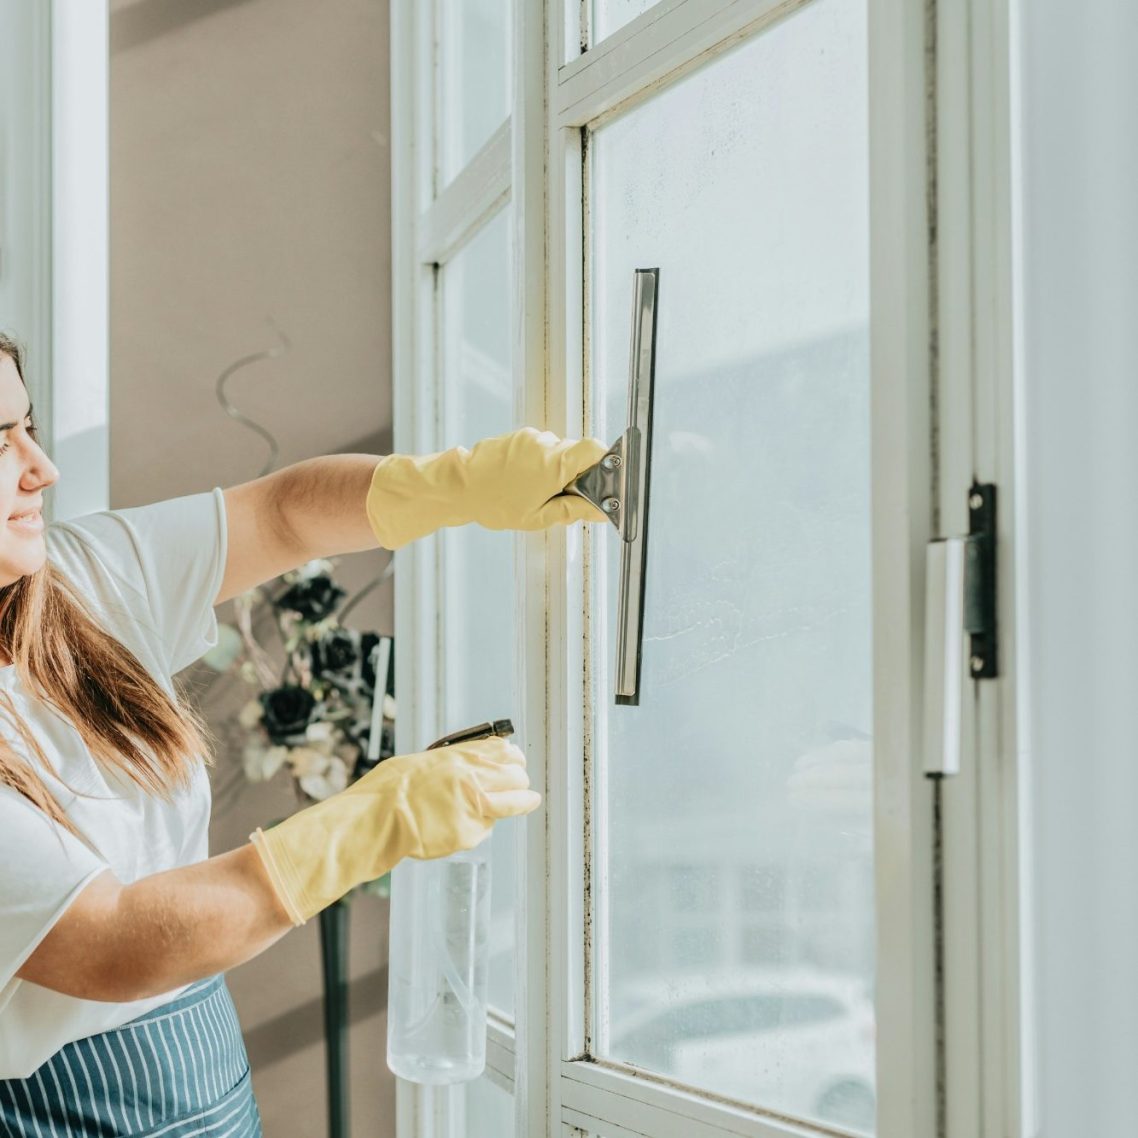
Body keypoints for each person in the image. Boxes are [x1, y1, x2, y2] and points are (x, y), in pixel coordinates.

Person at [0, 332, 607, 1136]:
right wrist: (366, 826)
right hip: (62, 1108)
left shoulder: (80, 575)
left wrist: (450, 484)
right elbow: (112, 944)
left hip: (201, 1058)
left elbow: (280, 514)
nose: (41, 467)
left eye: (29, 426)